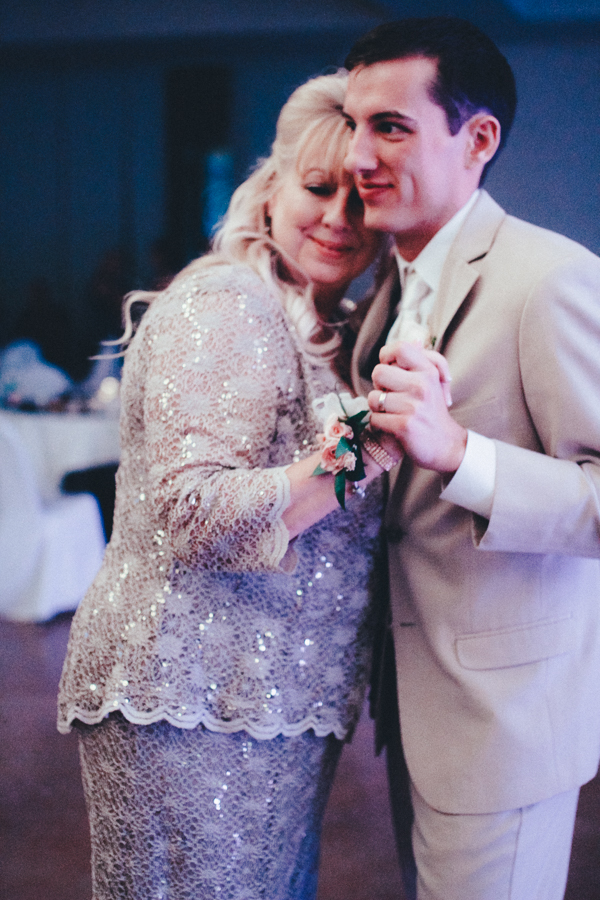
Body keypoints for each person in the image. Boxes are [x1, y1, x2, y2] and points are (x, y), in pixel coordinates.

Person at [57, 71, 404, 900]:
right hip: (188, 706)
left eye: (360, 199)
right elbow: (196, 512)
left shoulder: (336, 330)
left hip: (275, 706)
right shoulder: (228, 303)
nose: (338, 218)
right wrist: (365, 448)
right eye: (317, 187)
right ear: (271, 184)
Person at [343, 16, 600, 900]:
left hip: (505, 725)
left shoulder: (549, 278)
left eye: (390, 127)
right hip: (416, 711)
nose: (358, 156)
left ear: (478, 139)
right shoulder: (390, 286)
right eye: (353, 124)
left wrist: (460, 453)